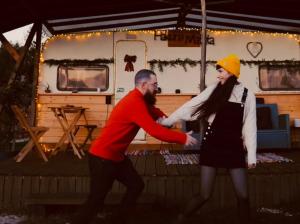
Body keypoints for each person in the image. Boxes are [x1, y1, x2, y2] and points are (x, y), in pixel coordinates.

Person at [71, 69, 198, 224]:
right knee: (96, 200)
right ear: (144, 85)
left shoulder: (141, 99)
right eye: (154, 84)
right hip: (102, 157)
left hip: (116, 157)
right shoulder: (134, 102)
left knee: (136, 185)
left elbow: (154, 111)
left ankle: (118, 219)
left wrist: (167, 119)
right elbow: (154, 130)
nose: (156, 88)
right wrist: (182, 138)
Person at [160, 54, 257, 223]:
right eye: (218, 71)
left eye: (221, 71)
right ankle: (181, 218)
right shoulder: (214, 90)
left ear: (231, 72)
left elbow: (250, 126)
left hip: (233, 147)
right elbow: (191, 106)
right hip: (212, 145)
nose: (218, 74)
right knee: (205, 194)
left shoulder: (247, 95)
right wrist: (168, 121)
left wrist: (252, 155)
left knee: (243, 195)